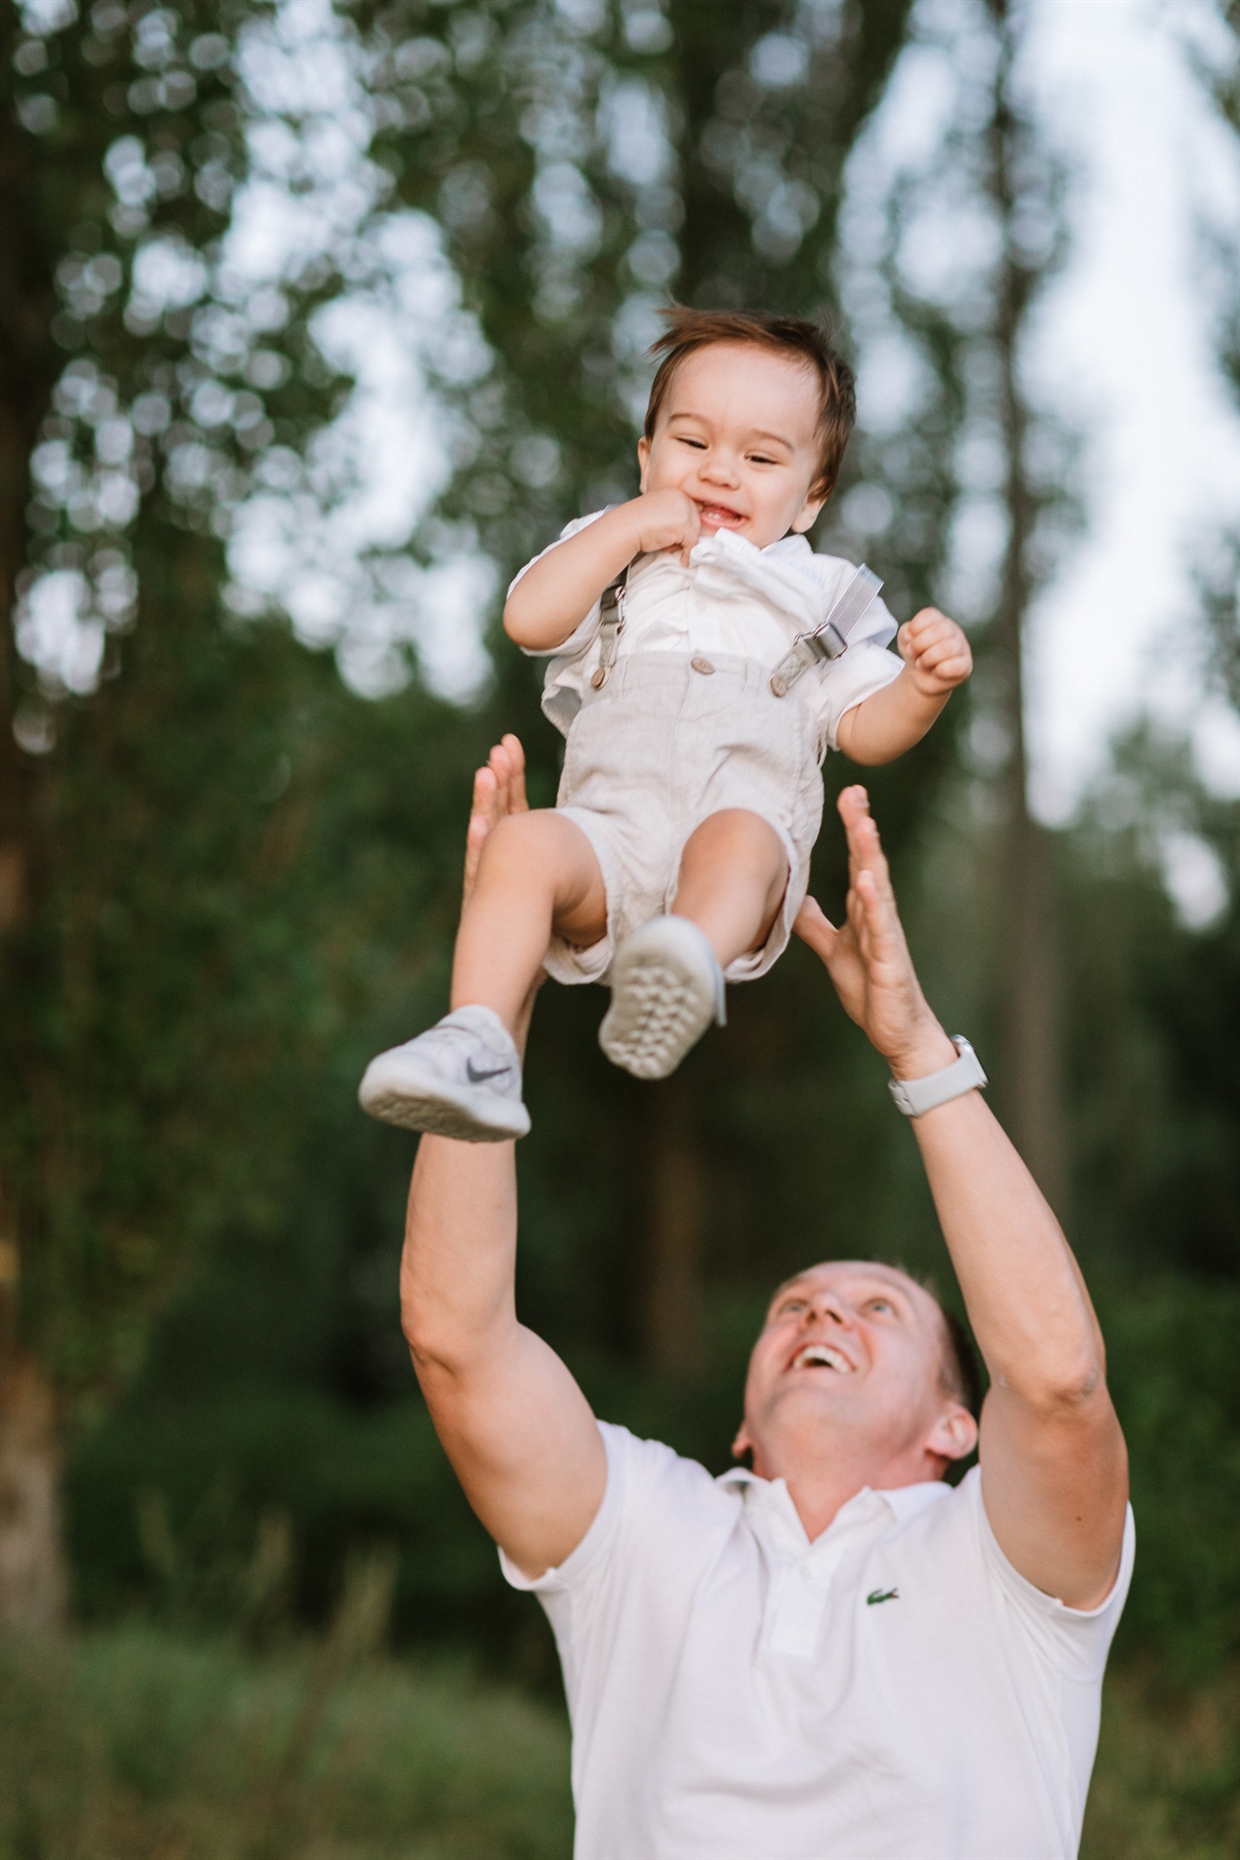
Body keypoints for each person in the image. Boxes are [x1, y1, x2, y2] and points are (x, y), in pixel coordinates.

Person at [398, 738, 1133, 1860]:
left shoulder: (1008, 1570)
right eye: (792, 1306)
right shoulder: (649, 1534)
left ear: (957, 1425)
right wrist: (493, 1004)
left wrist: (915, 1049)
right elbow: (457, 1344)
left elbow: (1059, 1380)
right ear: (741, 1422)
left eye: (876, 1310)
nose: (821, 1317)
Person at [358, 310, 972, 1141]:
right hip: (607, 841)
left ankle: (684, 961)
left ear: (810, 496)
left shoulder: (824, 596)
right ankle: (476, 1044)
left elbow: (865, 728)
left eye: (759, 458)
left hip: (732, 858)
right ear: (647, 458)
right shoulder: (613, 558)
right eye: (691, 444)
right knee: (520, 845)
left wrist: (925, 687)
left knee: (744, 840)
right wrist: (626, 527)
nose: (720, 471)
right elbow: (529, 621)